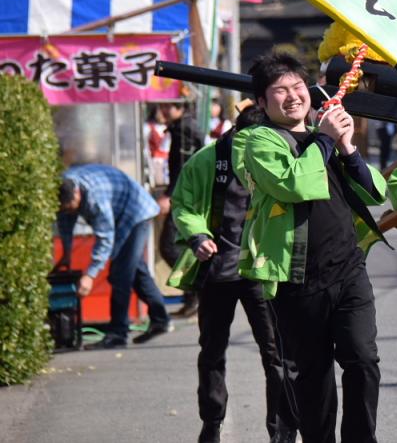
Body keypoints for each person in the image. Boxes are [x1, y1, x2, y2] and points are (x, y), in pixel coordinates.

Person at [235, 51, 389, 443]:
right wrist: (324, 138)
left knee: (363, 360)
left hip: (349, 268)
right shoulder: (258, 141)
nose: (292, 96)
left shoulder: (329, 138)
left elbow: (375, 193)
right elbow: (293, 184)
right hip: (297, 277)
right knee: (314, 372)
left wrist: (349, 147)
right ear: (262, 101)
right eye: (280, 90)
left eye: (298, 87)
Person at [167, 105, 296, 443]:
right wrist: (198, 235)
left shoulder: (277, 153)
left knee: (276, 354)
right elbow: (184, 204)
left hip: (262, 268)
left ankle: (280, 428)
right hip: (218, 270)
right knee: (215, 351)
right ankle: (213, 423)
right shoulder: (206, 160)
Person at [56, 164, 171, 349]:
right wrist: (67, 254)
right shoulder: (62, 186)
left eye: (72, 207)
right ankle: (160, 319)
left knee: (120, 274)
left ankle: (117, 334)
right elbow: (64, 220)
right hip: (118, 212)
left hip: (136, 213)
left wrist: (90, 275)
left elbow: (105, 238)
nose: (70, 211)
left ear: (77, 194)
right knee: (135, 269)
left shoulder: (95, 199)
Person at [160, 100, 206, 319]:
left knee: (169, 246)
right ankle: (194, 295)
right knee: (179, 246)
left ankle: (196, 292)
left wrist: (170, 194)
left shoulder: (185, 129)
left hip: (185, 196)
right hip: (187, 193)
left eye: (168, 106)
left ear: (181, 108)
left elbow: (183, 165)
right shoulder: (181, 127)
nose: (164, 111)